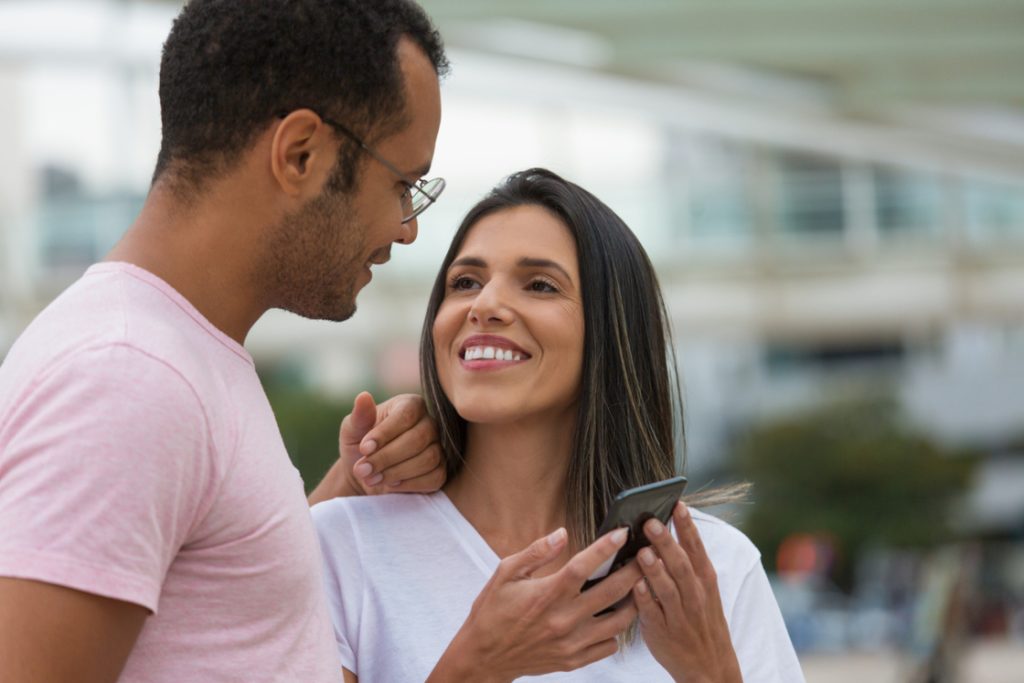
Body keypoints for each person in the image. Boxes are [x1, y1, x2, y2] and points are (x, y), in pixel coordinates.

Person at [0, 1, 450, 681]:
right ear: (300, 153)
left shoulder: (177, 352)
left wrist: (346, 493)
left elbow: (207, 619)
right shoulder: (130, 377)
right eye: (403, 185)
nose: (408, 227)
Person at [312, 168, 806, 682]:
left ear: (612, 331)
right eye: (465, 282)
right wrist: (476, 666)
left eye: (540, 285)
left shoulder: (716, 569)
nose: (484, 305)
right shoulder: (341, 546)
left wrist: (711, 673)